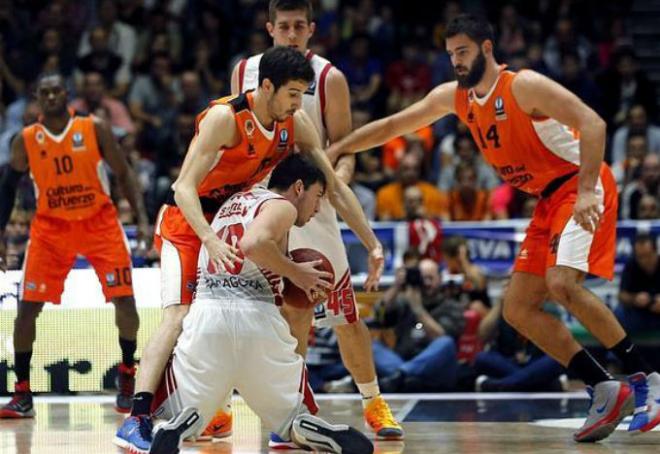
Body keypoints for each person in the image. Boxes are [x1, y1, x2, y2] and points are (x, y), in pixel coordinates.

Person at [327, 13, 660, 441]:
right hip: (546, 199)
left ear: (486, 48)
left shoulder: (523, 86)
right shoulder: (456, 97)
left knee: (561, 283)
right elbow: (394, 125)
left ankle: (645, 378)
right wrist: (339, 146)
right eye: (450, 55)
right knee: (517, 308)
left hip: (579, 184)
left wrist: (589, 190)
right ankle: (603, 386)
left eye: (463, 52)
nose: (456, 62)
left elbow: (593, 123)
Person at [117, 45, 383, 452]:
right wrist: (208, 238)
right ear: (267, 86)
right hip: (187, 222)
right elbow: (183, 186)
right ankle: (136, 418)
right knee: (180, 316)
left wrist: (372, 241)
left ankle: (251, 411)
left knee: (256, 307)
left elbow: (332, 184)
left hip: (228, 220)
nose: (298, 104)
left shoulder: (293, 123)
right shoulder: (226, 118)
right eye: (293, 94)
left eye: (303, 95)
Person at [231, 0, 402, 443]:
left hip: (313, 200)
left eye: (298, 27)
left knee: (344, 315)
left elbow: (342, 151)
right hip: (263, 202)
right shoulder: (243, 72)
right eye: (282, 26)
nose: (290, 33)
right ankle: (287, 409)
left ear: (310, 29)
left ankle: (373, 402)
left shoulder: (329, 79)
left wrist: (329, 191)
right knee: (282, 310)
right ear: (270, 28)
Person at [0, 72, 149, 417]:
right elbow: (8, 186)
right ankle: (22, 394)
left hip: (99, 223)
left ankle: (127, 374)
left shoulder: (93, 127)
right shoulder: (25, 139)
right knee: (27, 309)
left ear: (67, 94)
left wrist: (141, 218)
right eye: (44, 93)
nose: (51, 97)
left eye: (56, 91)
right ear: (37, 97)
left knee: (124, 300)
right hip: (50, 229)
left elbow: (123, 172)